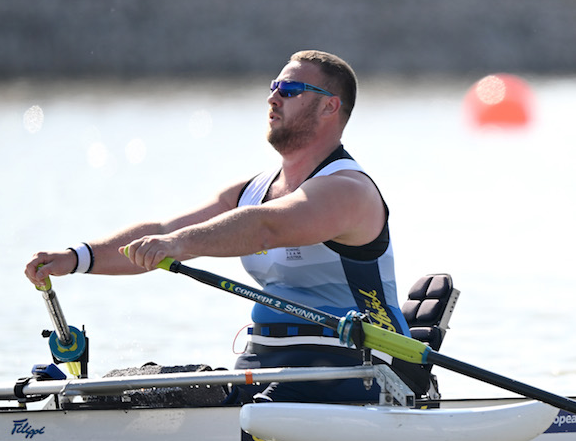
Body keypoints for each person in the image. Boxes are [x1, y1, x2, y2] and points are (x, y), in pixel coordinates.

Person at [24, 50, 421, 403]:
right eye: (273, 87)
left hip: (362, 371)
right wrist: (77, 257)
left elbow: (269, 228)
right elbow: (165, 227)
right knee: (129, 394)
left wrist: (177, 244)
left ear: (329, 107)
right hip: (265, 364)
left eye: (290, 89)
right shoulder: (250, 191)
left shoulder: (348, 190)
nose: (272, 97)